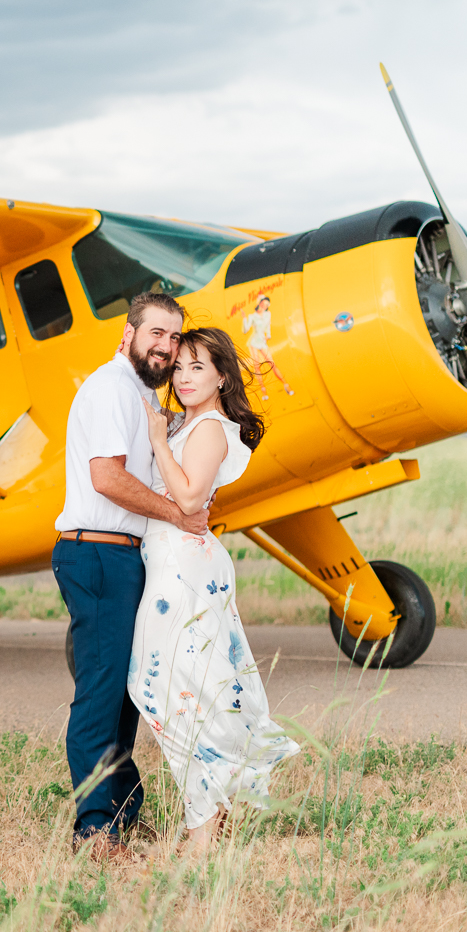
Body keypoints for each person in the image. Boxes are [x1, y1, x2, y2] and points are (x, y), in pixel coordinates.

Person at [52, 291, 212, 861]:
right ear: (129, 334)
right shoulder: (110, 389)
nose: (167, 347)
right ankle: (94, 831)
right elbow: (106, 479)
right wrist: (178, 515)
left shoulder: (139, 396)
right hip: (97, 554)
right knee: (100, 694)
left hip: (124, 555)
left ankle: (120, 809)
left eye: (174, 338)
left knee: (124, 694)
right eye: (157, 335)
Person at [130, 328, 300, 853]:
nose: (182, 377)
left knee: (173, 691)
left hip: (183, 571)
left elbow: (188, 498)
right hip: (174, 566)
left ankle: (202, 826)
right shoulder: (190, 423)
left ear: (222, 375)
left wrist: (159, 440)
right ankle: (206, 816)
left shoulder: (207, 429)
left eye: (196, 367)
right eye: (177, 367)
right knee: (185, 689)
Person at [240, 296, 293, 399]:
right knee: (257, 366)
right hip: (254, 342)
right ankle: (263, 391)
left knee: (271, 363)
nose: (265, 306)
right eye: (264, 304)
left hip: (262, 341)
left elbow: (268, 326)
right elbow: (245, 330)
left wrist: (268, 335)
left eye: (267, 305)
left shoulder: (268, 314)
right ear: (259, 303)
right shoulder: (252, 316)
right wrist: (244, 318)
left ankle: (286, 384)